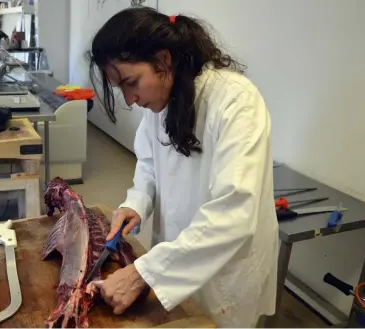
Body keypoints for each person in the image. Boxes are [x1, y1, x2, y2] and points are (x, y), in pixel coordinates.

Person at [87, 7, 279, 328]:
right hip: (176, 255)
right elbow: (149, 165)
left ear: (163, 61)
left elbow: (234, 211)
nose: (131, 99)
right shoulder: (162, 99)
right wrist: (136, 203)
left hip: (225, 268)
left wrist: (143, 273)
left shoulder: (235, 101)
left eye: (131, 82)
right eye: (121, 88)